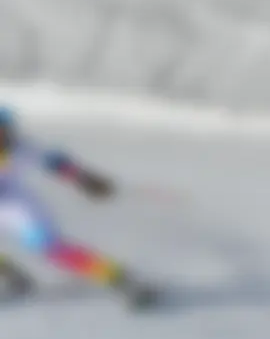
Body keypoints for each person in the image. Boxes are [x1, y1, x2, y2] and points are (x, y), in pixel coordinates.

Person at [0, 106, 155, 307]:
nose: (3, 137)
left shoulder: (21, 148)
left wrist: (85, 179)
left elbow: (54, 162)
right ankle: (10, 273)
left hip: (13, 203)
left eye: (4, 131)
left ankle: (119, 278)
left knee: (52, 248)